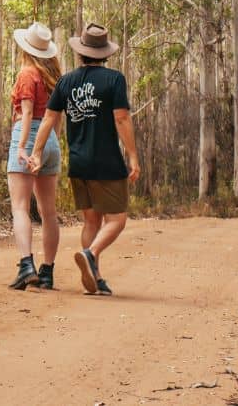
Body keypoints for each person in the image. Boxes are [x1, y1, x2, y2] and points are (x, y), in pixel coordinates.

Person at [29, 22, 139, 297]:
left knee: (92, 221)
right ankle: (91, 254)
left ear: (81, 52)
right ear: (105, 53)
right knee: (117, 220)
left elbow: (49, 119)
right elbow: (122, 118)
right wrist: (134, 156)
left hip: (78, 162)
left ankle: (95, 276)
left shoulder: (67, 81)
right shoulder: (114, 80)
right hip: (107, 162)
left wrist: (37, 152)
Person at [6, 21, 62, 290]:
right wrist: (52, 143)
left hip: (28, 136)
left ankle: (26, 264)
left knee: (19, 206)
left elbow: (27, 113)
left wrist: (21, 147)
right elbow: (56, 116)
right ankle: (48, 271)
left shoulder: (28, 75)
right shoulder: (51, 78)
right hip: (50, 139)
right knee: (48, 211)